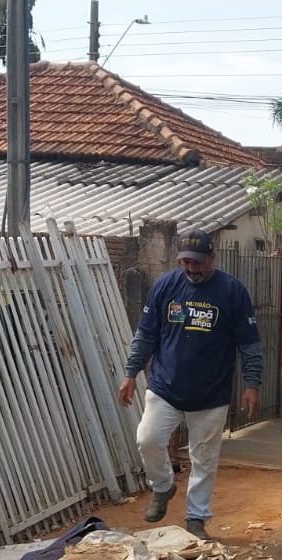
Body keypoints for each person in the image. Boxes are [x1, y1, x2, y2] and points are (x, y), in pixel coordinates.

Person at [117, 229, 262, 541]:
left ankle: (196, 518)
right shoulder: (165, 286)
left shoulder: (232, 291)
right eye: (185, 262)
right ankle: (163, 486)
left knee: (204, 460)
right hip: (165, 386)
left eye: (197, 262)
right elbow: (146, 334)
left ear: (212, 257)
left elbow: (249, 344)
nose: (192, 269)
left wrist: (253, 383)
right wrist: (131, 373)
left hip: (212, 393)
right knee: (147, 438)